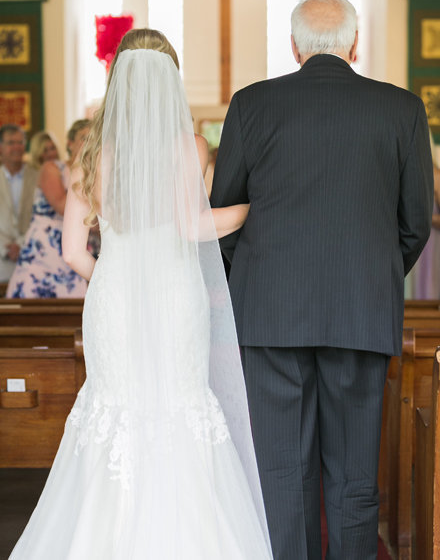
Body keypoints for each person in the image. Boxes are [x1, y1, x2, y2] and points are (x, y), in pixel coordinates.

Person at [9, 29, 272, 559]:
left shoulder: (94, 154)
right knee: (178, 404)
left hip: (114, 298)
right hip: (176, 296)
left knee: (115, 409)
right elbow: (192, 225)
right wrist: (256, 208)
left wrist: (113, 275)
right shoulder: (189, 147)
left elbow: (73, 252)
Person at [210, 0, 433, 560]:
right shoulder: (401, 108)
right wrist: (371, 277)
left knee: (283, 472)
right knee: (355, 473)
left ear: (294, 46)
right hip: (359, 312)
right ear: (354, 45)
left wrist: (260, 275)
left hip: (270, 315)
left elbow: (225, 211)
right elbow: (414, 224)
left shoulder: (251, 104)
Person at [6, 120, 89, 298]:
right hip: (46, 249)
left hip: (81, 247)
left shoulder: (96, 173)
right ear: (70, 143)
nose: (89, 143)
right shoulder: (52, 168)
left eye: (94, 138)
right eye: (84, 138)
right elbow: (61, 205)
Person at [406, 137, 440, 299]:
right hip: (402, 247)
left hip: (428, 250)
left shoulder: (438, 177)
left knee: (427, 293)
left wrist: (425, 218)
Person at [0, 124, 38, 282]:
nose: (17, 147)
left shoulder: (38, 177)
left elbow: (41, 216)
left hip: (32, 258)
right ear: (0, 147)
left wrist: (21, 244)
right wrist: (5, 247)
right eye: (10, 143)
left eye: (20, 142)